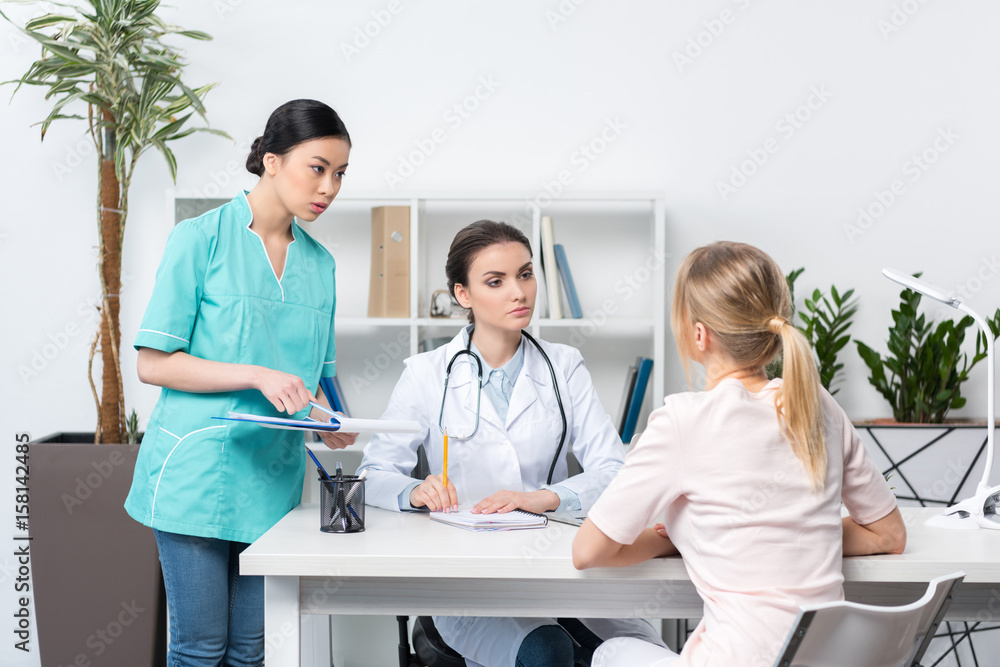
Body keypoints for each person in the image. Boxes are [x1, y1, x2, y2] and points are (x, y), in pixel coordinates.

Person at [572, 241, 907, 667]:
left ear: (699, 335)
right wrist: (785, 539)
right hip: (826, 658)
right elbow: (888, 535)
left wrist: (678, 538)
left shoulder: (683, 420)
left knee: (611, 650)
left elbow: (588, 551)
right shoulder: (817, 404)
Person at [358, 219, 665, 667]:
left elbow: (614, 470)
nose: (519, 292)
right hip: (468, 577)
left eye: (525, 274)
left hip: (558, 564)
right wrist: (414, 491)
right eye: (495, 281)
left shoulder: (564, 366)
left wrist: (543, 498)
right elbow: (372, 473)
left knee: (641, 655)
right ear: (463, 294)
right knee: (547, 651)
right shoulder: (426, 373)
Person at [124, 99, 357, 667]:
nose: (328, 187)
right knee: (201, 649)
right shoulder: (199, 239)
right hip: (195, 472)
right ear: (272, 161)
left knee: (251, 650)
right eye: (318, 168)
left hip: (272, 483)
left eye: (340, 174)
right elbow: (153, 362)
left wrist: (329, 421)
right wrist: (255, 374)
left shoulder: (321, 266)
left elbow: (318, 382)